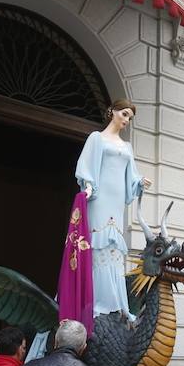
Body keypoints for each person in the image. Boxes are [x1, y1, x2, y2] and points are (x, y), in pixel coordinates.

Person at [75, 99, 152, 320]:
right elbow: (86, 166)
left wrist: (139, 182)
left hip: (117, 200)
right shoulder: (96, 138)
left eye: (130, 117)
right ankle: (97, 301)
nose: (127, 120)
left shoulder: (126, 147)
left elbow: (132, 175)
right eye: (125, 114)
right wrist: (88, 187)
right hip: (99, 198)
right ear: (113, 112)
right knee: (98, 244)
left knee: (114, 247)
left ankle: (117, 302)